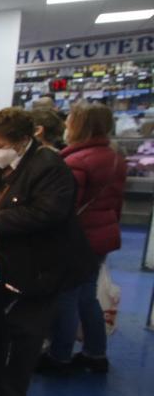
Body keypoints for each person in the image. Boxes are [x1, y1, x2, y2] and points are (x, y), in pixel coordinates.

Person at [0, 107, 94, 396]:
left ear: (23, 141)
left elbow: (48, 213)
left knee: (28, 329)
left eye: (0, 146)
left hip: (44, 264)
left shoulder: (49, 166)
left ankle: (11, 393)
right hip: (6, 260)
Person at [40, 104, 127, 374]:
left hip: (78, 239)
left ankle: (59, 356)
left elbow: (63, 208)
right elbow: (117, 201)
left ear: (79, 126)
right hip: (102, 233)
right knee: (87, 297)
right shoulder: (114, 156)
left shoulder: (76, 161)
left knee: (66, 297)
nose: (66, 127)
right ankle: (95, 353)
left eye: (69, 122)